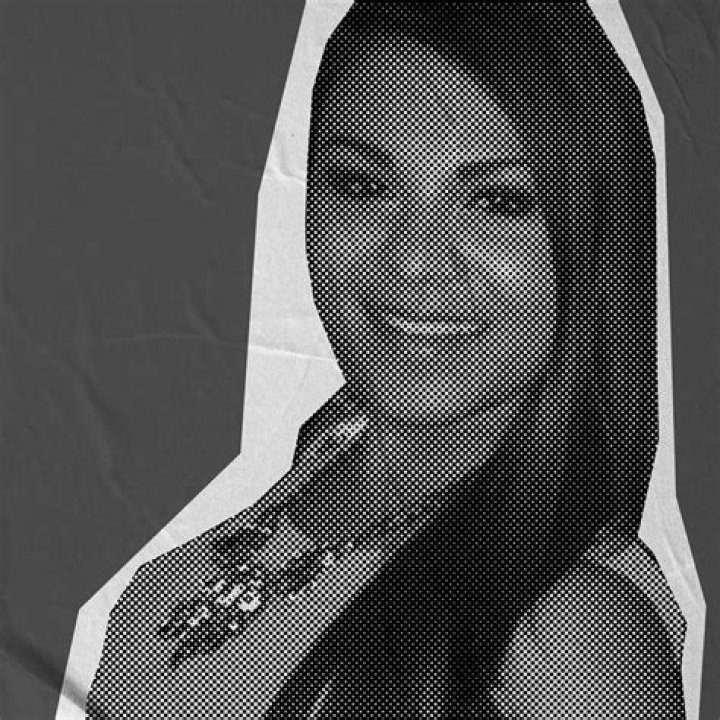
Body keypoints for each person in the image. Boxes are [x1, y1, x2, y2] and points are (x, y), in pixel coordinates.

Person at [87, 2, 686, 717]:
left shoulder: (575, 642)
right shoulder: (319, 469)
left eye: (497, 201)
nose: (416, 261)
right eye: (365, 187)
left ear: (597, 236)